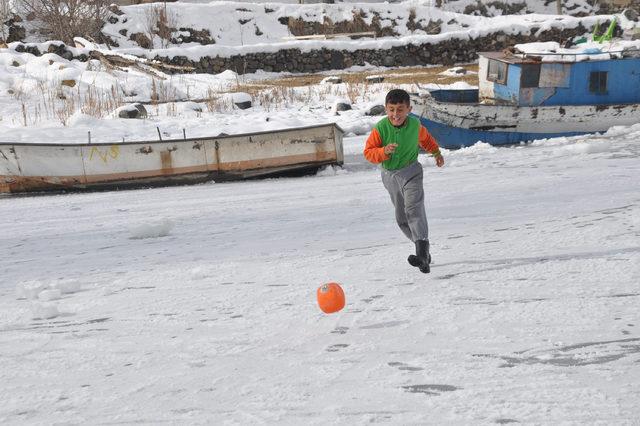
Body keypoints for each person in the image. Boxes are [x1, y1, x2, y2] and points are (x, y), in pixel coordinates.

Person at [363, 89, 444, 273]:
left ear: (409, 109)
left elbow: (427, 140)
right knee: (402, 218)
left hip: (412, 172)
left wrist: (436, 153)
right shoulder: (381, 128)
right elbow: (368, 153)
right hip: (390, 176)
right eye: (391, 109)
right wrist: (383, 152)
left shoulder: (415, 125)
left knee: (414, 209)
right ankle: (424, 250)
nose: (395, 114)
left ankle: (421, 254)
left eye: (400, 109)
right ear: (386, 109)